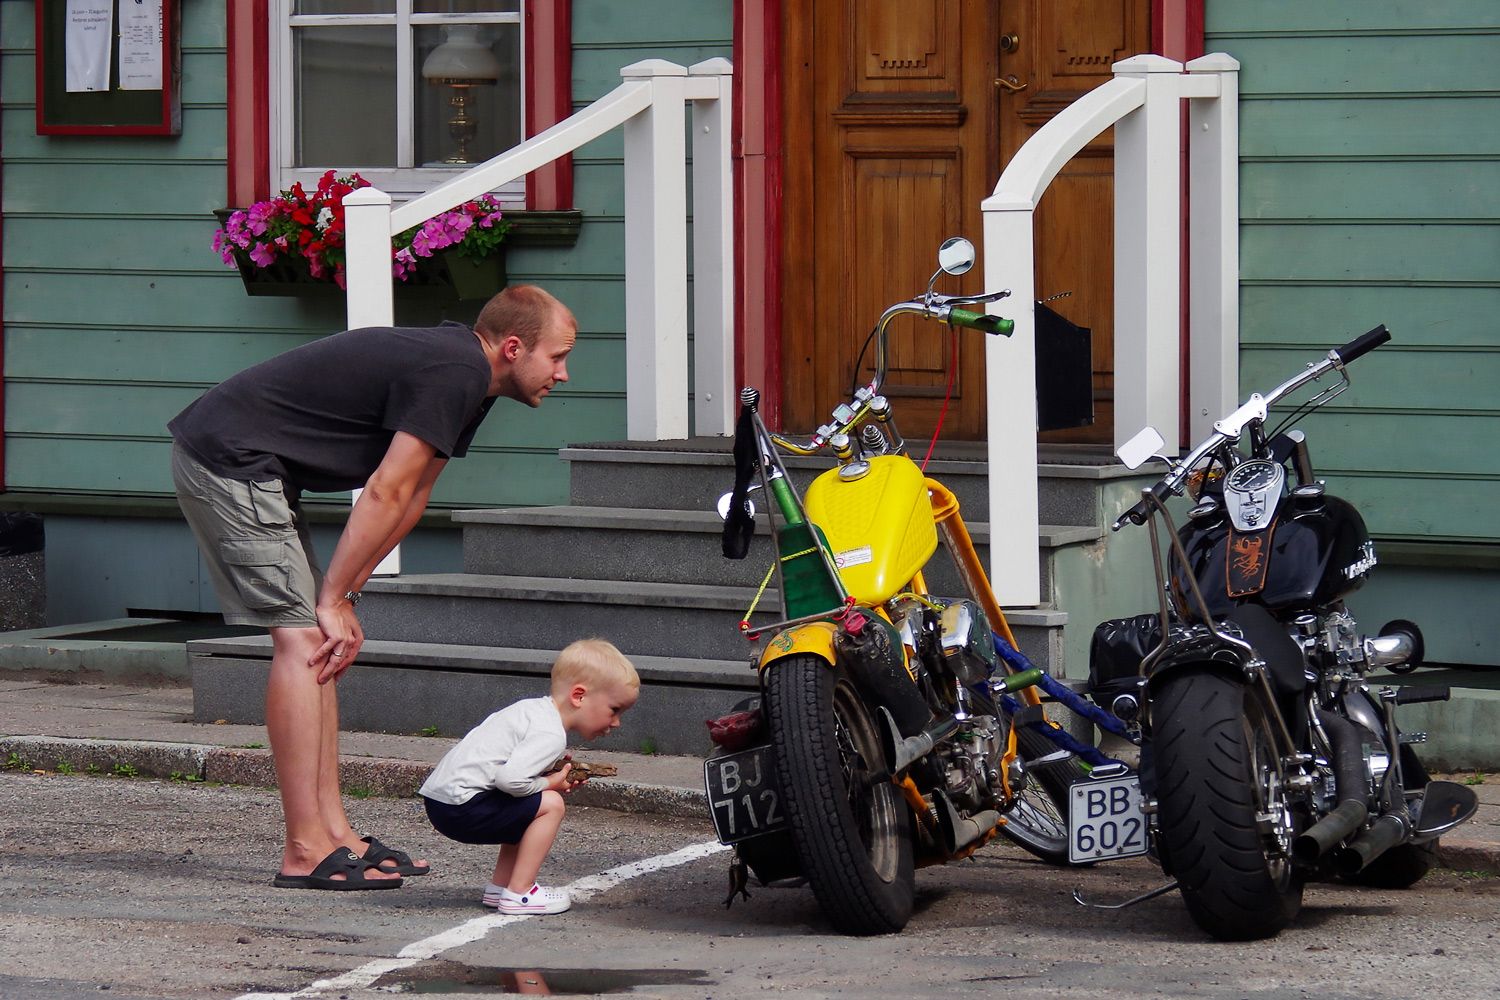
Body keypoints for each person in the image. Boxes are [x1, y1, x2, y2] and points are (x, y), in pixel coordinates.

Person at [168, 284, 577, 890]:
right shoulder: (455, 370)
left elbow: (413, 493)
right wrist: (330, 601)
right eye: (557, 356)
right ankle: (305, 847)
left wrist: (348, 595)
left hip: (263, 468)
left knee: (323, 644)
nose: (563, 374)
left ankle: (336, 834)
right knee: (304, 640)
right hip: (229, 459)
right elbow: (384, 489)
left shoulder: (472, 379)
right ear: (513, 347)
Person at [419, 638, 640, 913]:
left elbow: (505, 770)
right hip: (460, 808)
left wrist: (545, 772)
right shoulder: (551, 734)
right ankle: (520, 892)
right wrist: (552, 783)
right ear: (579, 696)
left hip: (442, 802)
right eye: (614, 710)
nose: (616, 722)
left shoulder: (532, 710)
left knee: (530, 805)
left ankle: (500, 887)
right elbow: (509, 781)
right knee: (550, 804)